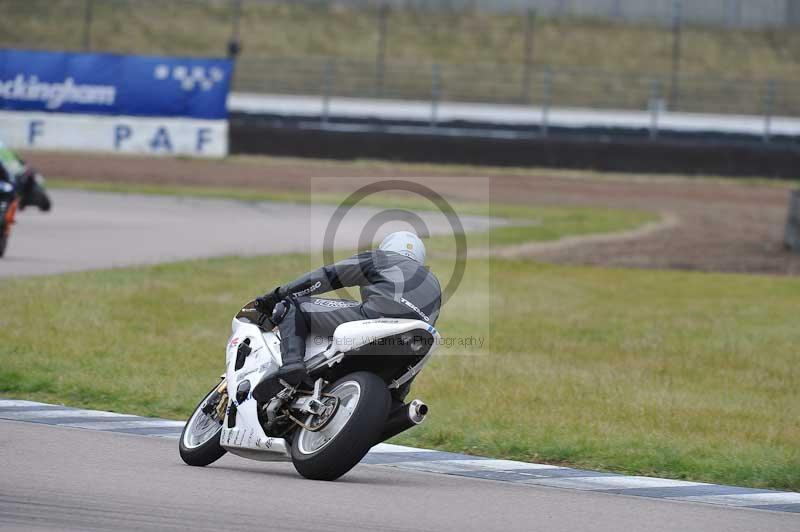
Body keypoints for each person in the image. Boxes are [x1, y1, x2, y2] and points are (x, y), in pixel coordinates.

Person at [254, 230, 441, 387]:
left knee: (293, 306)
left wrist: (279, 295)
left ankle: (292, 365)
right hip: (409, 349)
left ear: (388, 247)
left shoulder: (380, 258)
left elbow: (327, 277)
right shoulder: (434, 284)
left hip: (376, 319)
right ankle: (394, 408)